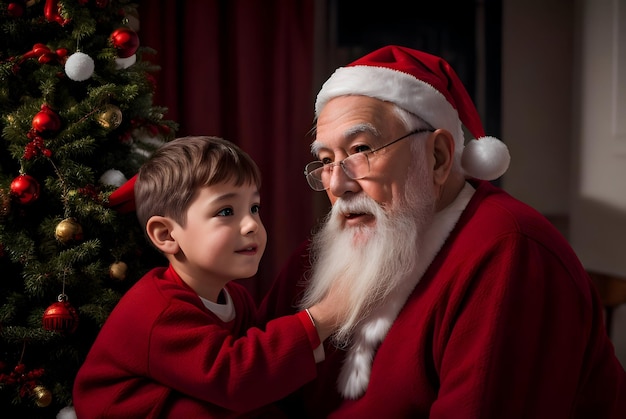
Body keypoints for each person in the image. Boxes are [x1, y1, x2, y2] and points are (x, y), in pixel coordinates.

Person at [259, 45, 626, 418]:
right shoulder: (328, 249)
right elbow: (245, 383)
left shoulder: (509, 250)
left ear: (437, 157)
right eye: (325, 161)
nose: (338, 184)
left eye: (360, 150)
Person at [73, 136, 346, 418]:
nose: (252, 224)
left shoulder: (235, 299)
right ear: (166, 235)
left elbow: (256, 371)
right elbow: (234, 378)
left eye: (254, 208)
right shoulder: (157, 310)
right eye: (226, 211)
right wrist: (323, 317)